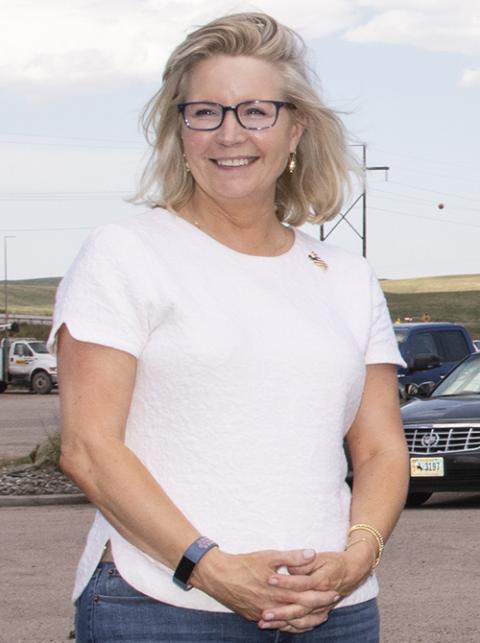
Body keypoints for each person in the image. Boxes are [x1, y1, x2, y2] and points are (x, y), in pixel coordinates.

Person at [48, 12, 409, 643]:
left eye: (255, 111)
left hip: (333, 613)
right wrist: (210, 568)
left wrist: (356, 559)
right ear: (180, 131)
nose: (228, 133)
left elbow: (380, 450)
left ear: (295, 128)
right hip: (159, 605)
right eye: (205, 112)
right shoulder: (124, 253)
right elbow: (89, 449)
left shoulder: (347, 277)